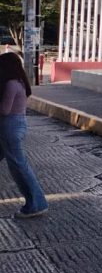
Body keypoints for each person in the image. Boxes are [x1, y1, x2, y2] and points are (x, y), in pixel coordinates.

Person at [0, 51, 49, 219]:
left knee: (19, 167)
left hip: (10, 127)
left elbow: (4, 110)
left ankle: (37, 203)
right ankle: (36, 202)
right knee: (18, 165)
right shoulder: (19, 82)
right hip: (14, 125)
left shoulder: (11, 84)